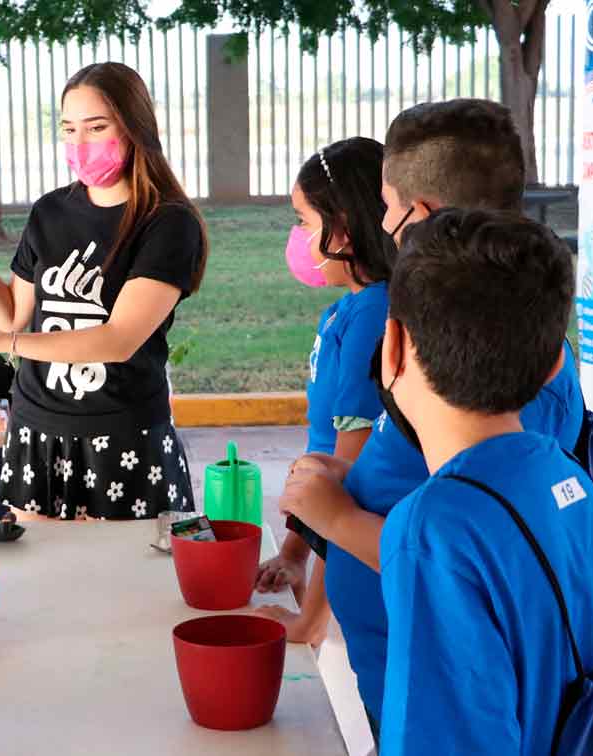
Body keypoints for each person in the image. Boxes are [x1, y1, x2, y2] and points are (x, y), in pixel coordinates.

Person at [273, 99, 586, 739]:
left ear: (418, 217)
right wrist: (343, 483)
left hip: (443, 692)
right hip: (400, 670)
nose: (380, 222)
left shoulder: (498, 370)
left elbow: (474, 552)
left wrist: (337, 518)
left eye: (386, 203)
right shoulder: (465, 341)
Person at [291, 209, 593, 755]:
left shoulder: (431, 529)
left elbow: (442, 736)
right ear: (555, 362)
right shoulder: (569, 482)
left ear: (392, 348)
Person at [0, 62, 208, 522]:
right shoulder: (50, 212)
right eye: (68, 129)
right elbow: (13, 315)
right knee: (42, 584)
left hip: (123, 435)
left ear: (135, 128)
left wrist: (6, 346)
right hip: (36, 430)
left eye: (96, 128)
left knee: (123, 586)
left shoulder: (167, 223)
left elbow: (119, 340)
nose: (79, 144)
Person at [253, 137, 392, 645]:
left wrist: (306, 623)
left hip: (357, 557)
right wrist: (293, 556)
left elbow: (346, 484)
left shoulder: (372, 318)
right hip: (336, 536)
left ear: (345, 228)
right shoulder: (345, 312)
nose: (299, 236)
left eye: (305, 221)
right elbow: (323, 453)